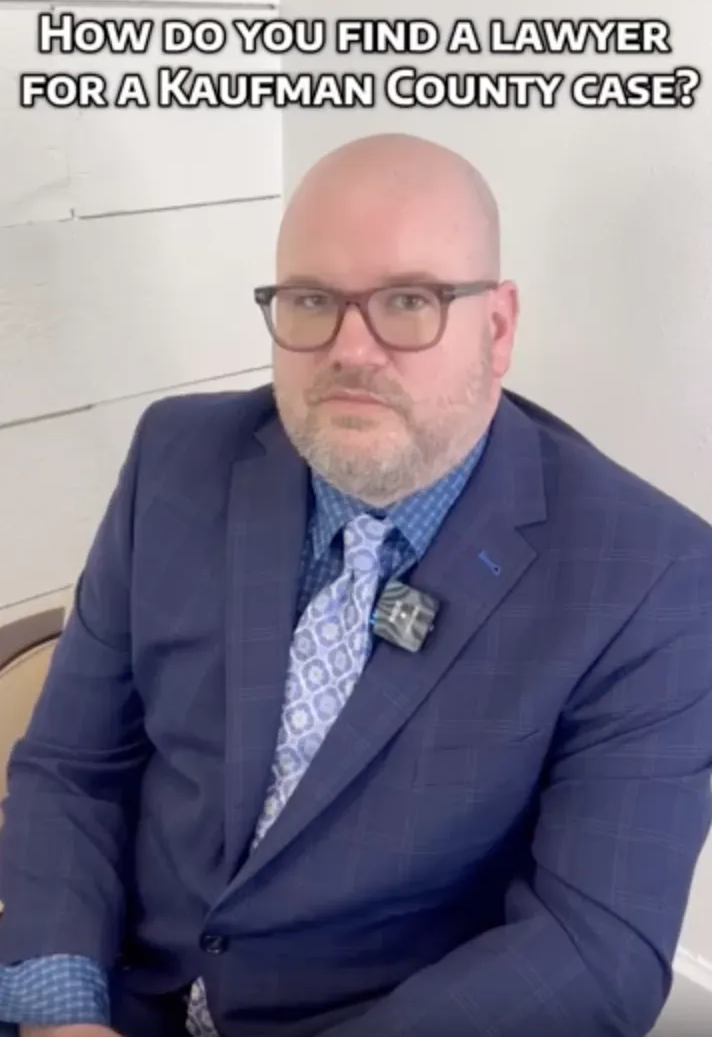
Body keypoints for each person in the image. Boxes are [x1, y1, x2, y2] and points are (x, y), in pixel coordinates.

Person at [0, 132, 711, 1037]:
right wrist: (61, 1007)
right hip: (111, 1000)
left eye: (408, 300)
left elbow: (591, 950)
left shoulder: (653, 578)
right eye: (311, 300)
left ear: (496, 326)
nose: (351, 348)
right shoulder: (175, 460)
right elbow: (74, 767)